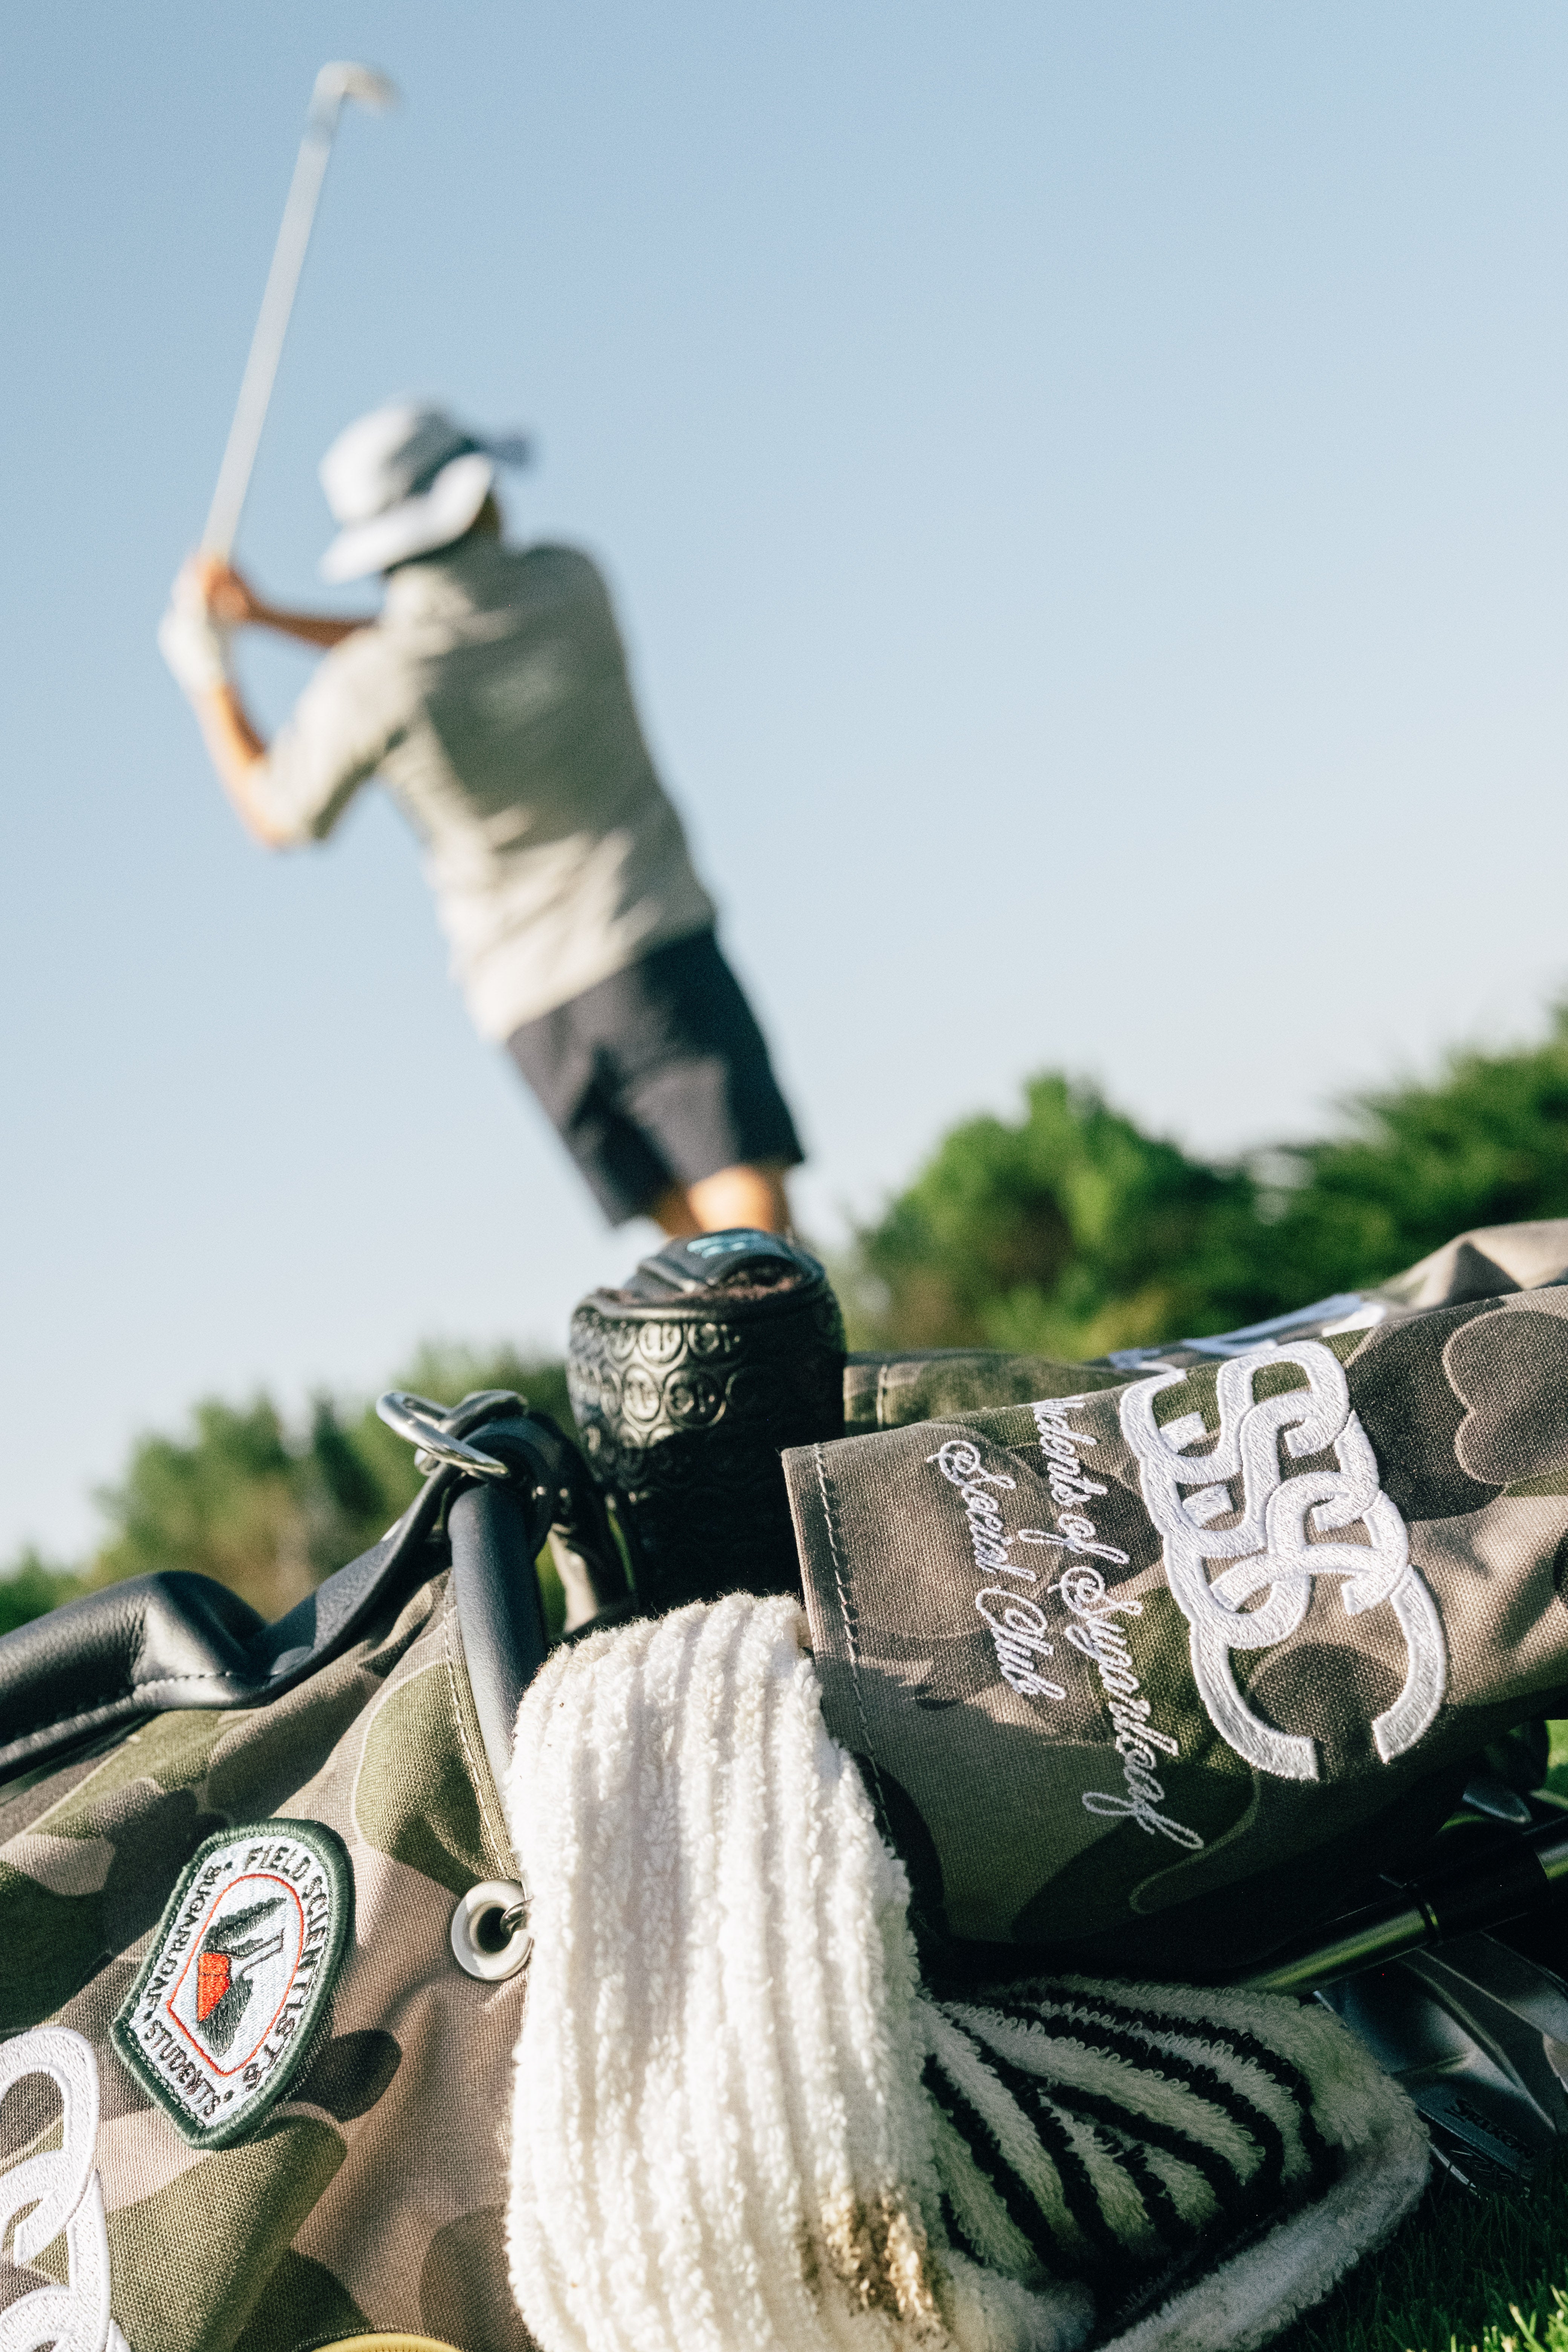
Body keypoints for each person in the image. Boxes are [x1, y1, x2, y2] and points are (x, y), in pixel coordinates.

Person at [157, 400, 804, 1237]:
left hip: (528, 1010)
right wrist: (267, 618)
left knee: (690, 1257)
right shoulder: (573, 580)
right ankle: (794, 1372)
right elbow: (435, 634)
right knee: (752, 1229)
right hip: (649, 947)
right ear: (474, 498)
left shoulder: (372, 684)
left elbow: (276, 813)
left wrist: (212, 675)